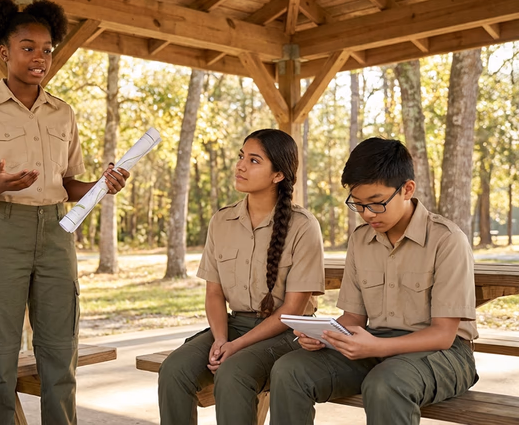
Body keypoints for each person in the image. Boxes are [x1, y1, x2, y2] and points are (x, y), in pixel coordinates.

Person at [0, 0, 130, 425]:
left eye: (47, 49)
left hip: (56, 232)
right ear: (3, 50)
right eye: (28, 47)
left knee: (60, 354)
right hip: (2, 232)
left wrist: (103, 185)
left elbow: (69, 186)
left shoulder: (63, 114)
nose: (39, 57)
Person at [269, 137, 479, 425]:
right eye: (358, 204)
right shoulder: (360, 240)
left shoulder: (447, 240)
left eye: (376, 203)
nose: (367, 214)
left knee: (385, 385)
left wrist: (376, 348)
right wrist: (325, 336)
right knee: (289, 370)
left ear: (407, 189)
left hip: (445, 354)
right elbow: (354, 317)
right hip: (375, 345)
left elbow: (443, 334)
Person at [157, 129, 325, 425]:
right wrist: (221, 339)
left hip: (288, 333)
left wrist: (235, 347)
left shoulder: (303, 226)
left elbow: (292, 310)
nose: (240, 166)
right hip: (233, 325)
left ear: (278, 175)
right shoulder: (222, 221)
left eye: (254, 160)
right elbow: (214, 293)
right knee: (174, 370)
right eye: (240, 157)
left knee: (233, 372)